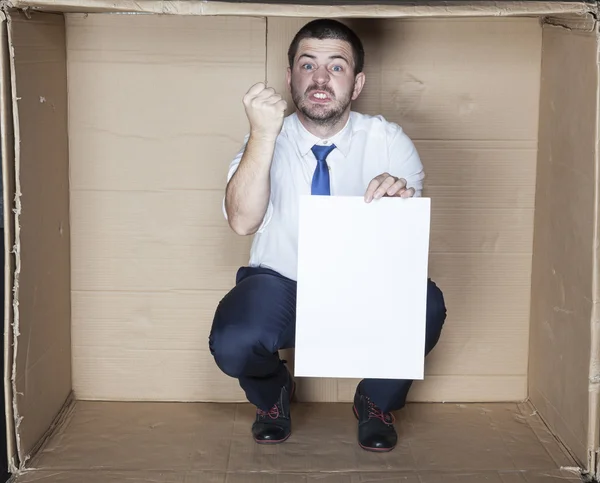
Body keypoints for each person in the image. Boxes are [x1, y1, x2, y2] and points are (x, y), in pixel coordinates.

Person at [208, 18, 446, 452]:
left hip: (361, 284)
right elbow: (241, 222)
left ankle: (375, 400)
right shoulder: (261, 142)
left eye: (336, 67)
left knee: (426, 302)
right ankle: (272, 395)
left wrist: (397, 201)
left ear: (356, 84)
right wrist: (263, 133)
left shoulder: (390, 141)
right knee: (233, 336)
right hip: (280, 284)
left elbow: (403, 249)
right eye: (307, 65)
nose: (320, 79)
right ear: (289, 77)